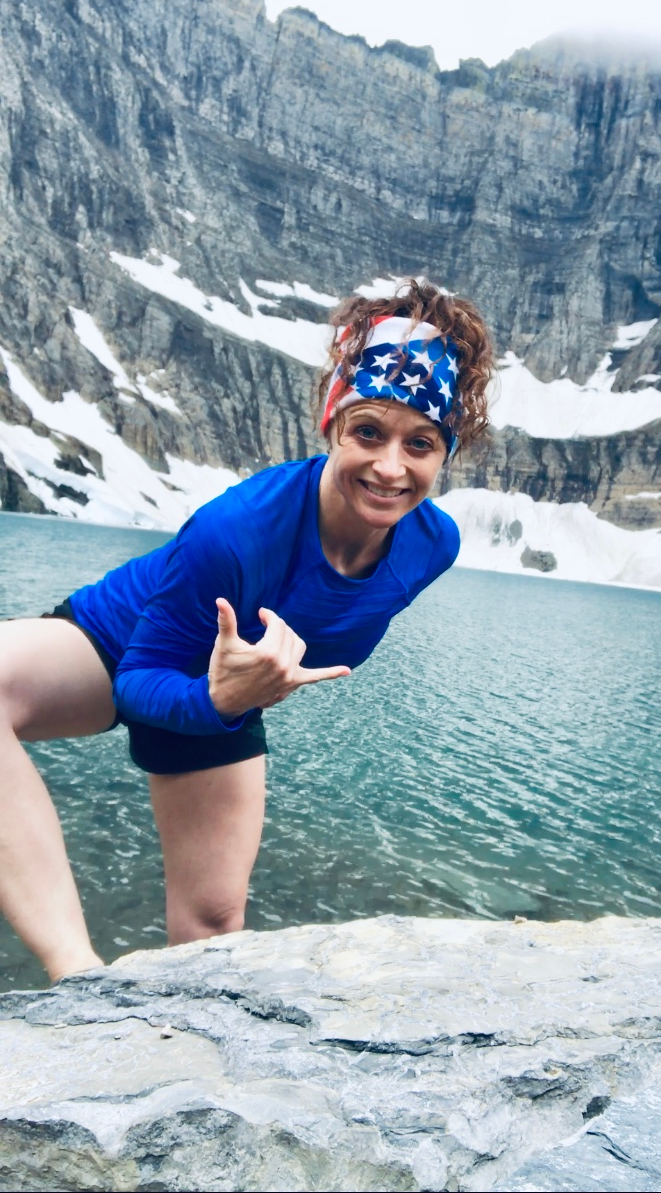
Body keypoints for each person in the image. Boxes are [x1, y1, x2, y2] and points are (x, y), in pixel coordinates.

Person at [0, 279, 494, 982]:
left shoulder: (431, 547)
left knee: (212, 931)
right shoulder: (237, 531)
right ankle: (76, 972)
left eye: (420, 443)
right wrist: (218, 699)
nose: (391, 467)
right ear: (331, 427)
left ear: (443, 454)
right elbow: (136, 680)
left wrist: (229, 700)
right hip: (116, 640)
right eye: (368, 432)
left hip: (232, 694)